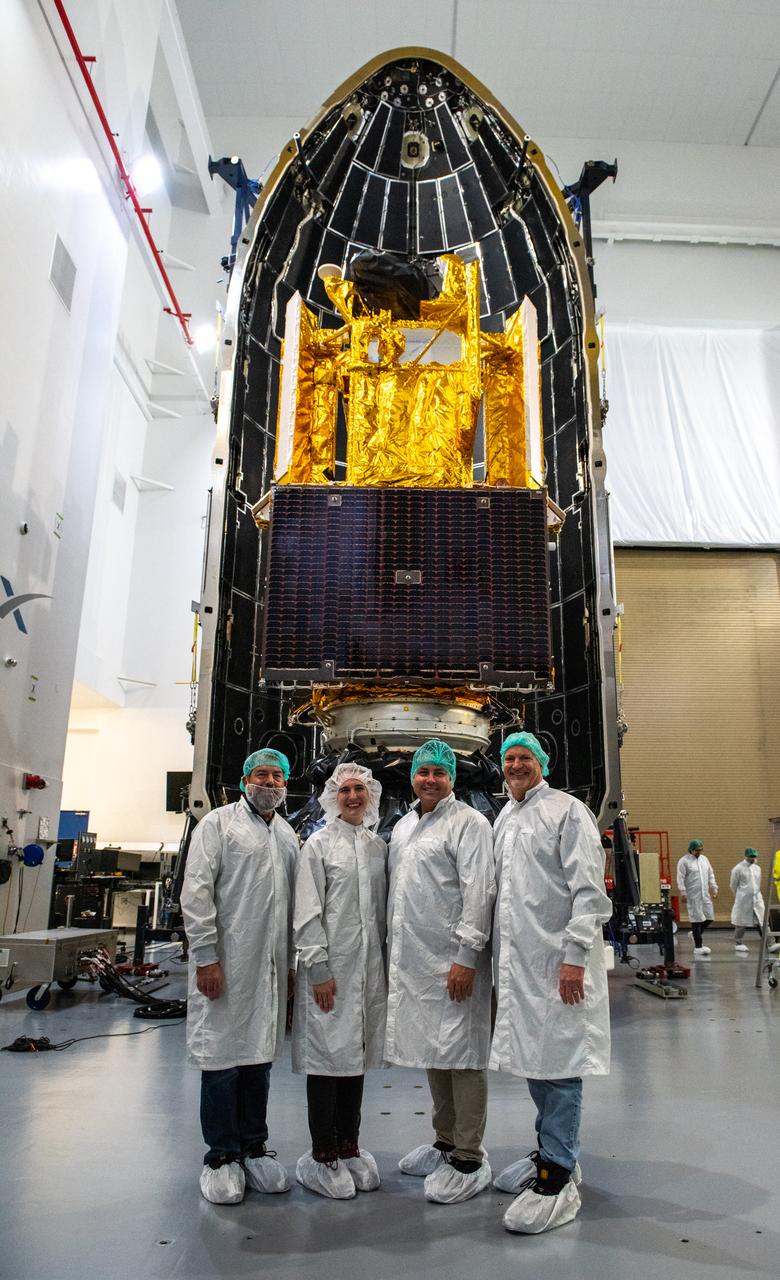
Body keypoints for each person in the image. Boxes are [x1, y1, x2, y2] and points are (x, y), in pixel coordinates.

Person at [490, 732, 612, 1235]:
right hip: (521, 967)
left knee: (559, 1065)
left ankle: (558, 1174)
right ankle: (551, 1151)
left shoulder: (567, 811)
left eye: (526, 758)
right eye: (510, 759)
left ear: (543, 763)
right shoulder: (506, 817)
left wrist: (574, 957)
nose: (516, 765)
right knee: (535, 1061)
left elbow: (588, 891)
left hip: (560, 964)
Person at [180, 748, 298, 1205]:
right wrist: (206, 957)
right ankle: (221, 1155)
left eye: (277, 776)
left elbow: (291, 909)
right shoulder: (219, 824)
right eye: (261, 774)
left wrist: (289, 967)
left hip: (269, 968)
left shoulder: (287, 834)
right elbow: (197, 892)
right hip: (226, 964)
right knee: (222, 1060)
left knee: (258, 1058)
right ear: (245, 778)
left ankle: (254, 1146)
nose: (269, 783)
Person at [385, 738, 496, 1205]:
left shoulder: (468, 823)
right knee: (434, 1048)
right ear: (413, 776)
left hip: (453, 961)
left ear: (452, 778)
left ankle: (469, 1154)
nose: (430, 779)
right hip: (416, 962)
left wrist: (467, 957)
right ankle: (445, 1140)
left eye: (439, 772)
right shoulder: (405, 826)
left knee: (464, 1054)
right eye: (423, 771)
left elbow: (480, 891)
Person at [292, 763, 388, 1199]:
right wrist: (318, 968)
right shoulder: (318, 845)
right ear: (333, 796)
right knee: (326, 1060)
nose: (353, 796)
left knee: (355, 1057)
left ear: (370, 795)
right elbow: (308, 911)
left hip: (366, 974)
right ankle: (322, 1154)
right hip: (329, 972)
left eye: (360, 789)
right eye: (346, 789)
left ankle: (349, 1145)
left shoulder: (376, 847)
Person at [676, 839, 718, 956]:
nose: (699, 852)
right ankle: (698, 947)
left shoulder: (705, 860)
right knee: (696, 919)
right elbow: (680, 877)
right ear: (691, 849)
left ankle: (694, 934)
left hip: (705, 894)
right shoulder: (684, 861)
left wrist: (714, 887)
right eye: (696, 850)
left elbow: (711, 874)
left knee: (709, 917)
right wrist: (683, 892)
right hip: (692, 895)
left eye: (700, 850)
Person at [730, 848, 765, 953]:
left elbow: (757, 884)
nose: (753, 859)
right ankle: (738, 942)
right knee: (741, 922)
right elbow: (733, 885)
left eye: (755, 857)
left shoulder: (757, 868)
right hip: (743, 900)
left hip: (757, 898)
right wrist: (740, 896)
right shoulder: (738, 869)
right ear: (746, 856)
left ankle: (770, 942)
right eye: (751, 857)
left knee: (763, 920)